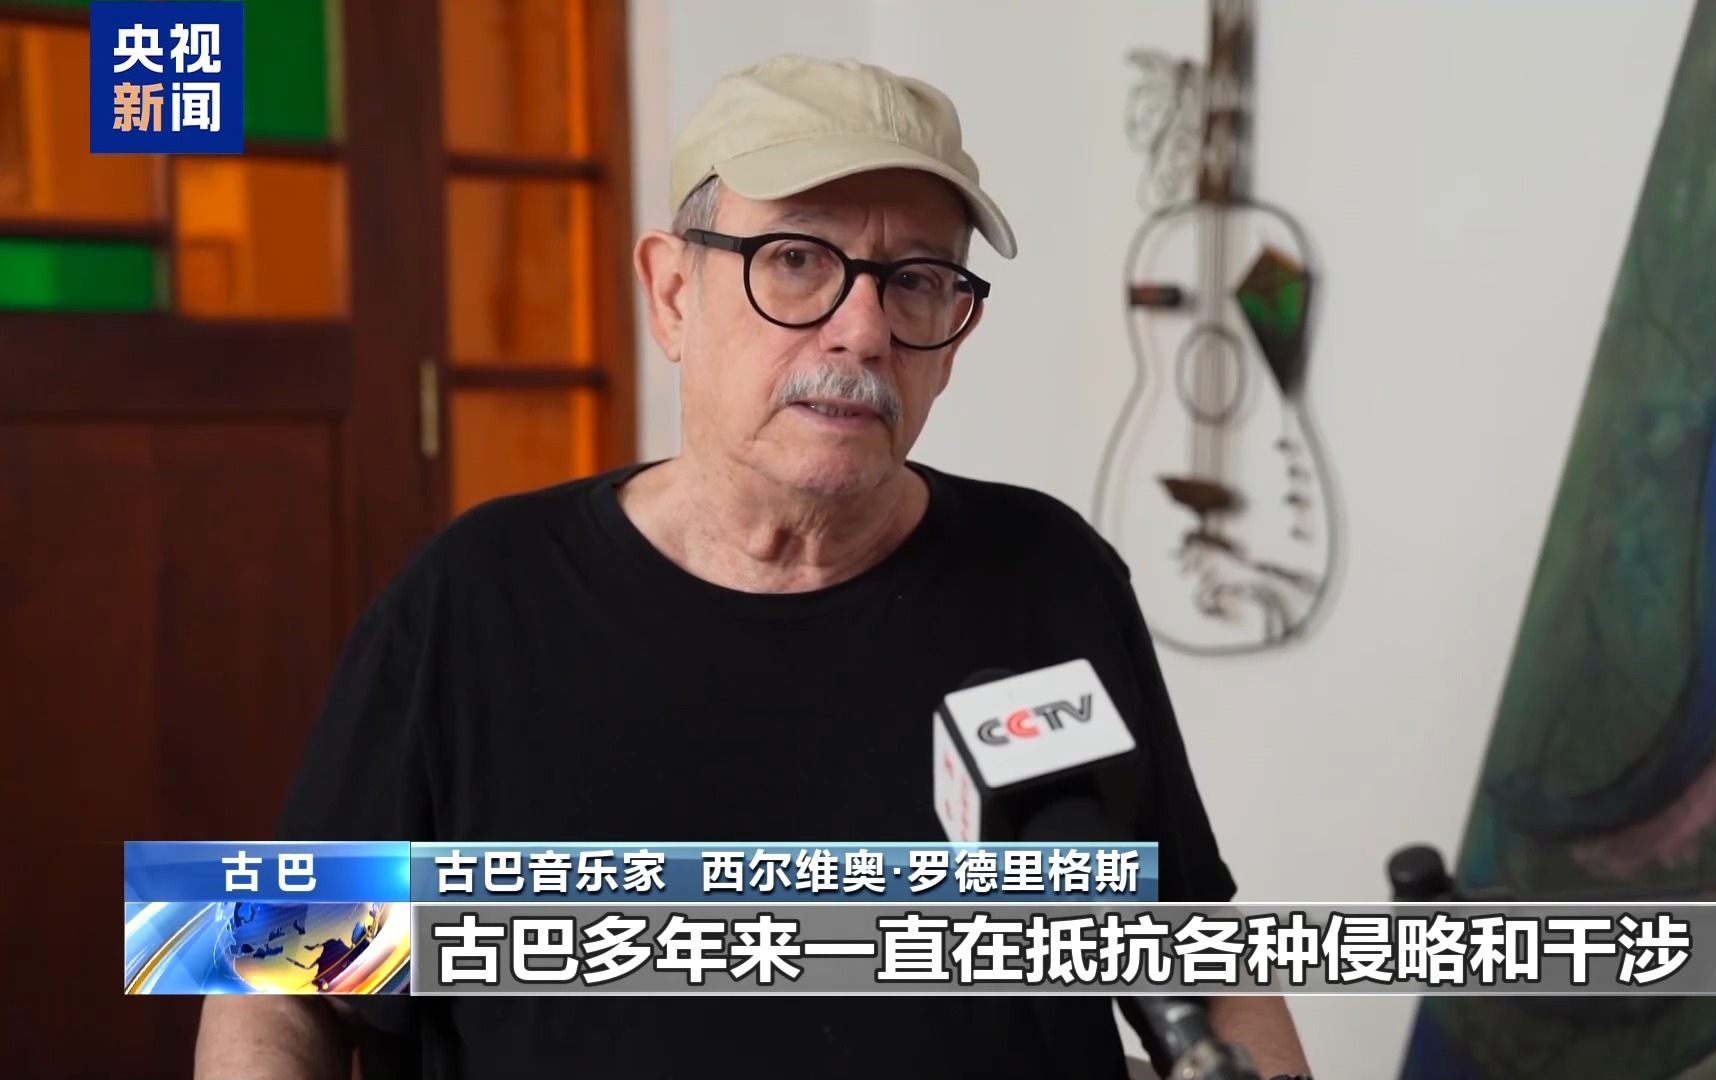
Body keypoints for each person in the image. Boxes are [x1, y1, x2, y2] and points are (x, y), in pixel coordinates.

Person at [194, 54, 1312, 1080]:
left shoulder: (1051, 576)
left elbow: (1201, 960)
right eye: (797, 260)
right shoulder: (474, 602)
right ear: (672, 293)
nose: (863, 331)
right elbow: (277, 985)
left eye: (916, 279)